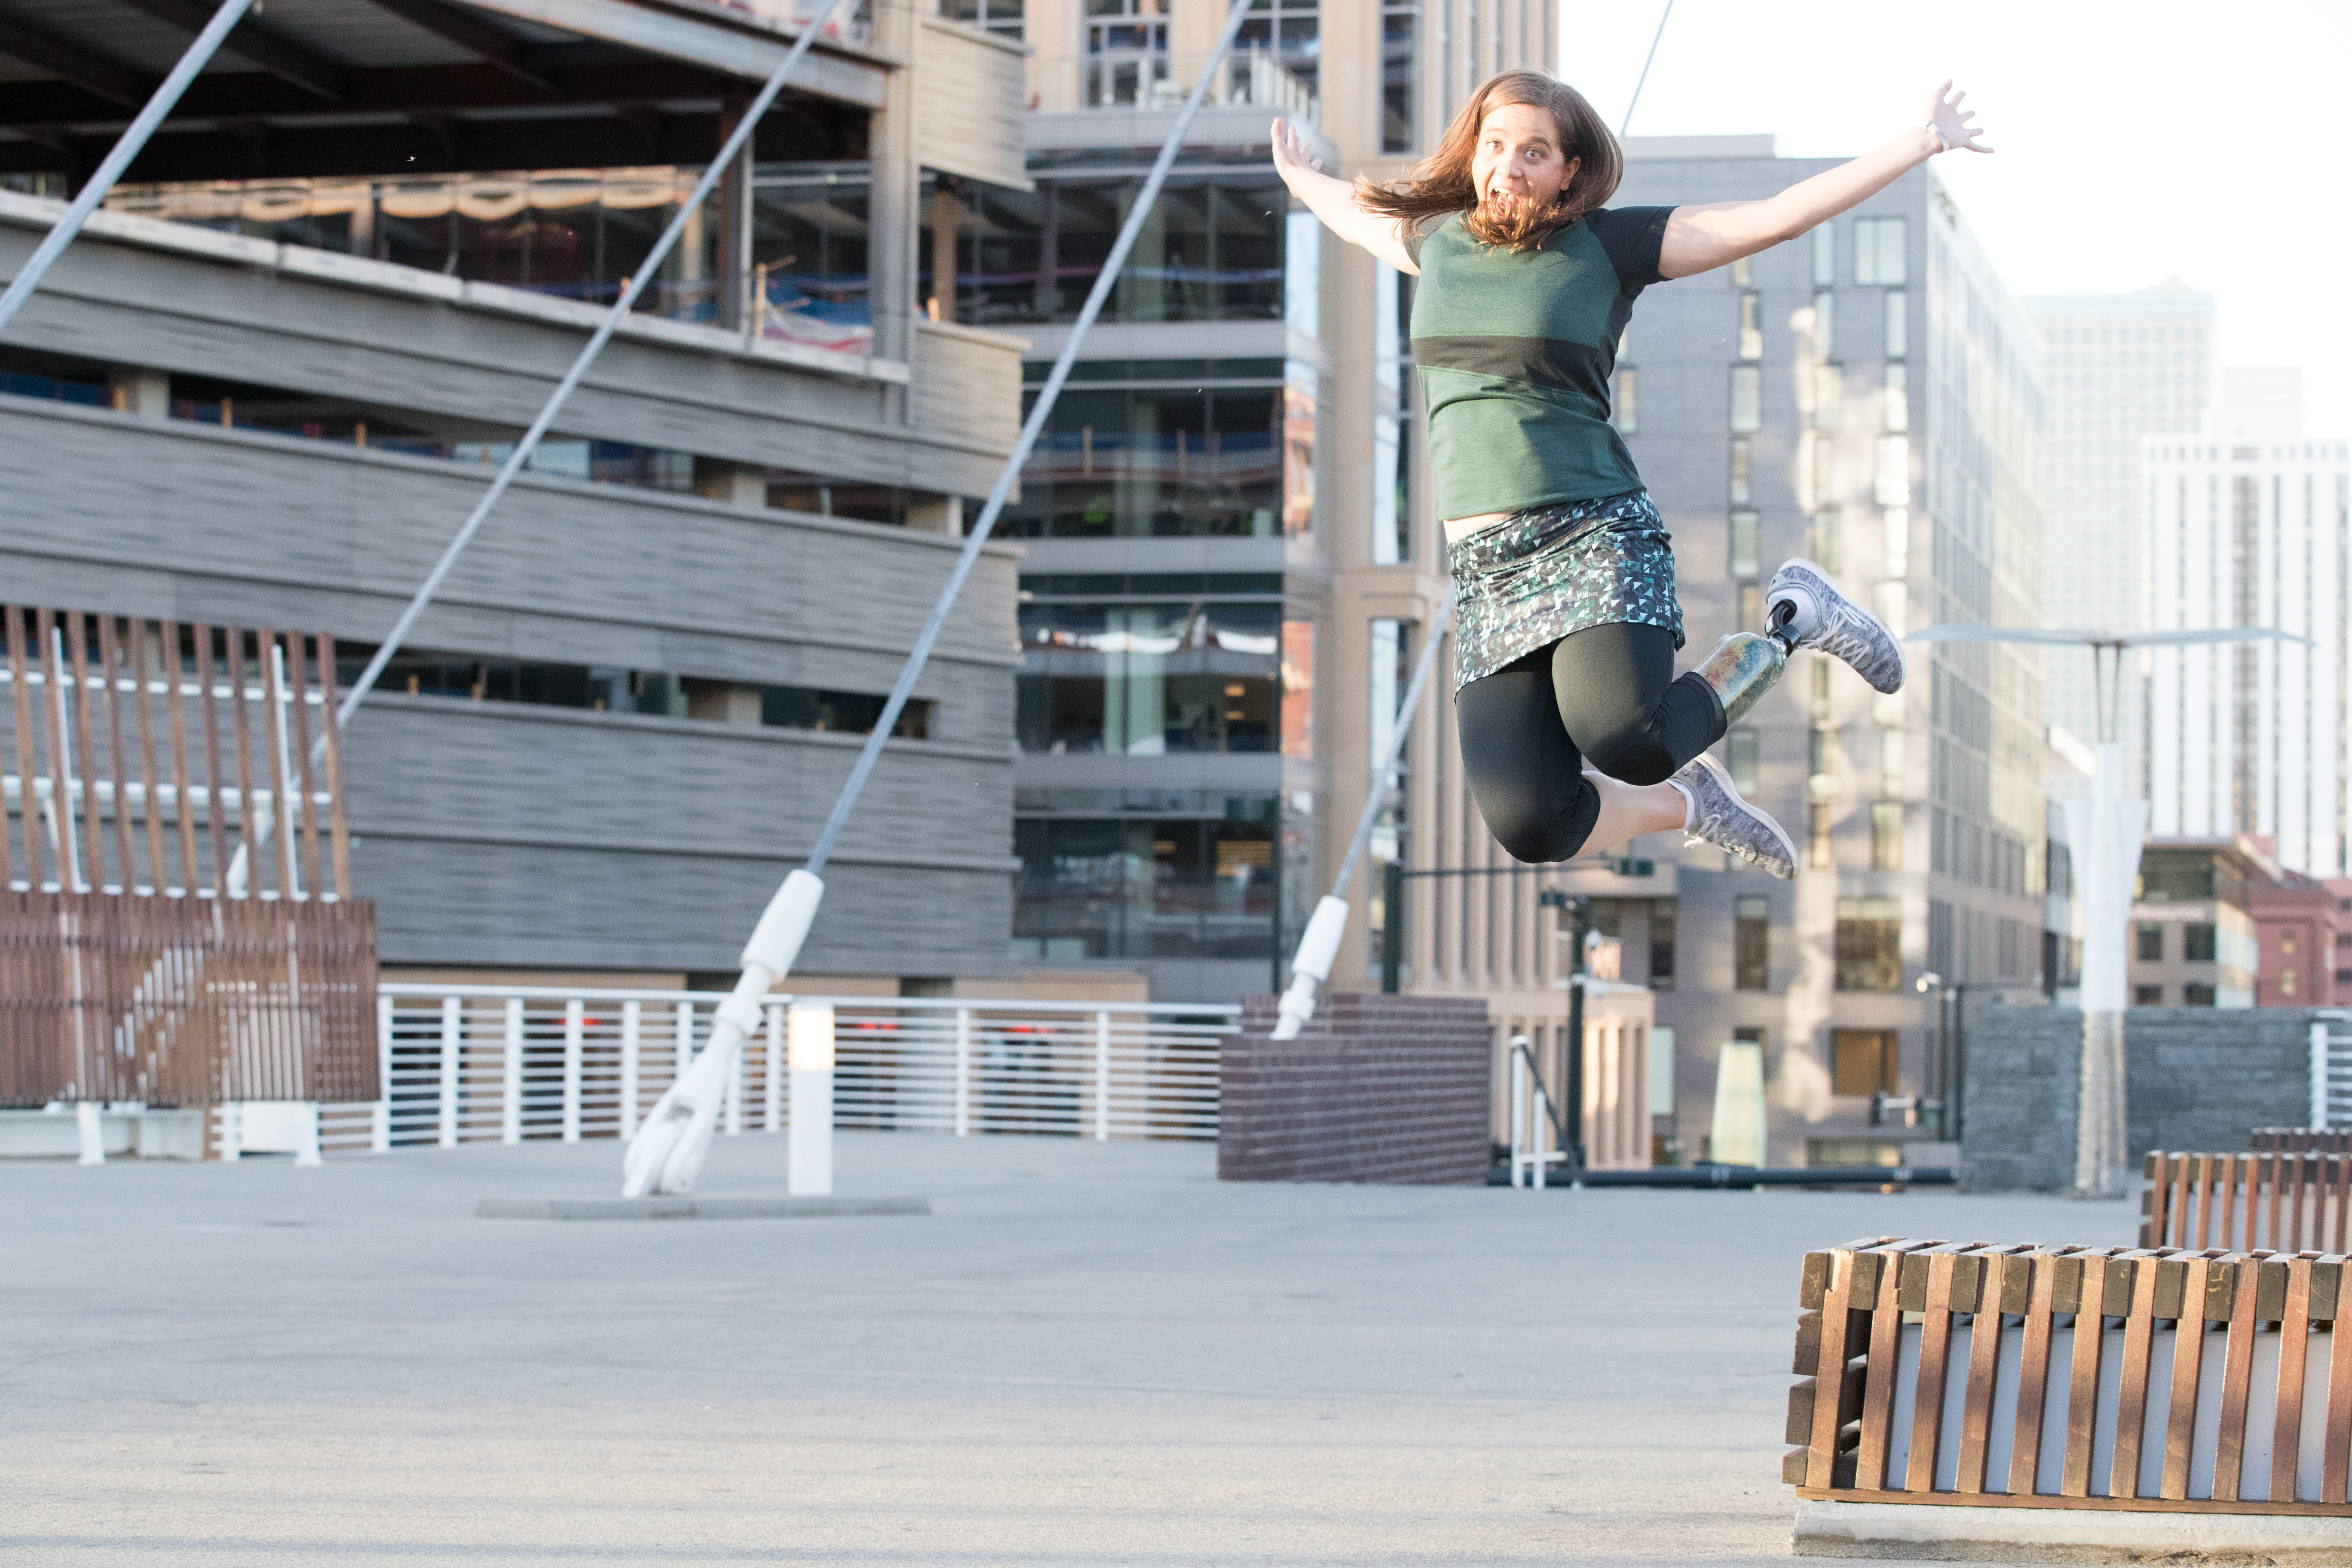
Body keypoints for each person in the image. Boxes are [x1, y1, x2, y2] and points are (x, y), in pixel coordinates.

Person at [1271, 74, 1990, 879]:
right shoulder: (1434, 242)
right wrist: (1299, 177)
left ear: (1570, 171)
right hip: (1485, 573)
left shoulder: (1605, 249)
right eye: (1495, 147)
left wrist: (1919, 141)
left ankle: (1794, 620)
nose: (1509, 168)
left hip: (1590, 532)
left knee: (1630, 738)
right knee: (1532, 822)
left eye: (1533, 153)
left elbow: (1769, 220)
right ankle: (1695, 805)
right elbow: (1351, 210)